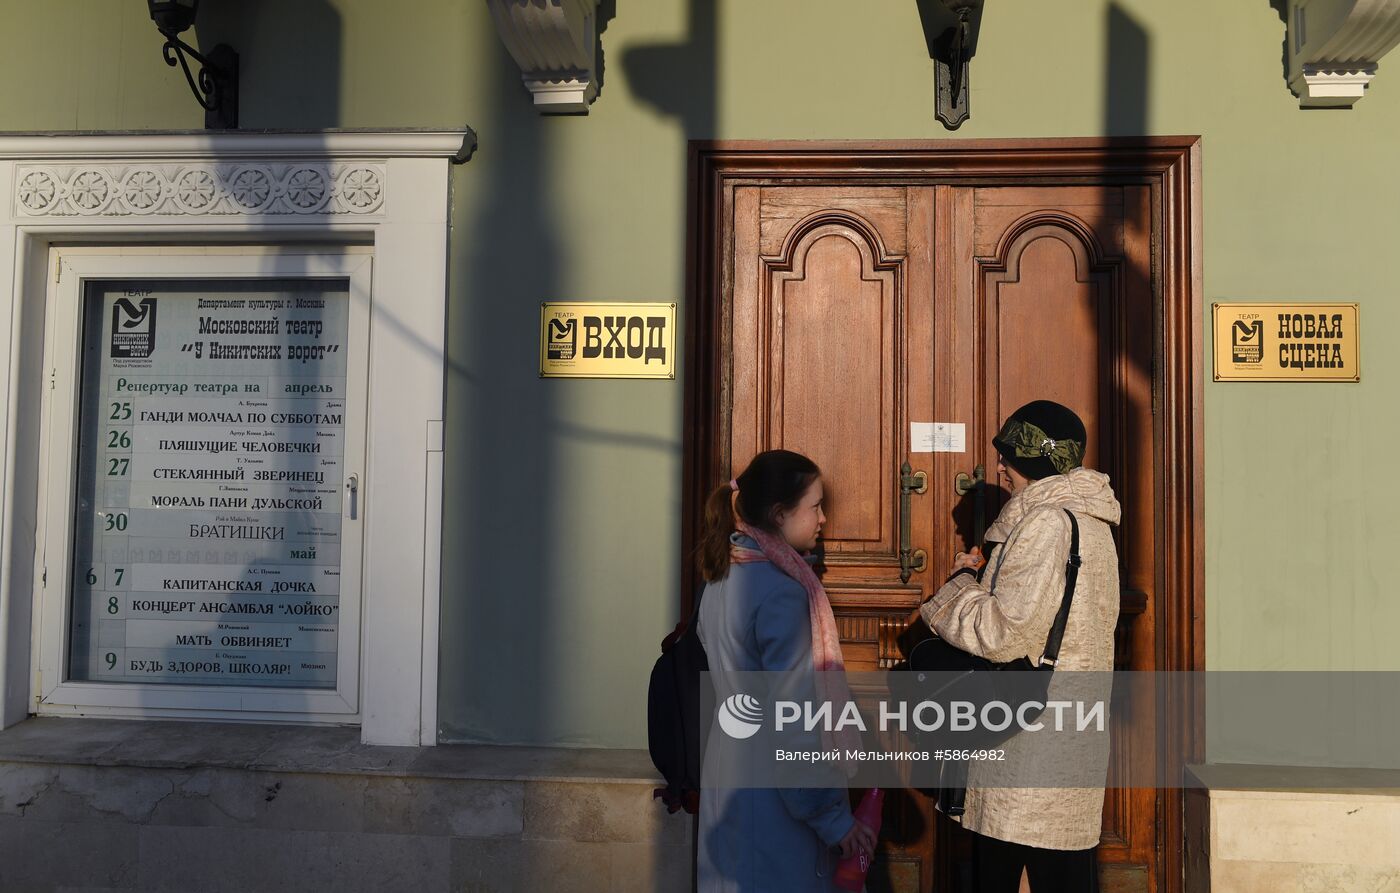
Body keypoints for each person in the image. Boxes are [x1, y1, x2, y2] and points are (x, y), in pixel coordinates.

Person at [917, 401, 1121, 893]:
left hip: (1029, 739)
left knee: (1019, 865)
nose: (1000, 467)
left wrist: (962, 584)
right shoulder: (1088, 521)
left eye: (1009, 455)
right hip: (1060, 731)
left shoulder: (1046, 524)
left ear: (1032, 458)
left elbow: (1004, 632)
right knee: (1055, 868)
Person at [696, 449, 877, 892]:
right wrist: (832, 820)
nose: (823, 519)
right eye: (815, 506)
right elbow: (794, 719)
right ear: (779, 514)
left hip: (729, 770)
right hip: (775, 795)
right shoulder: (782, 594)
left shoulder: (723, 575)